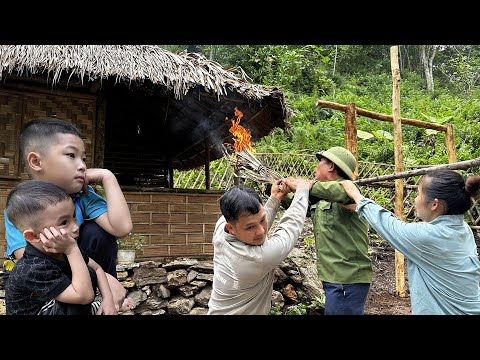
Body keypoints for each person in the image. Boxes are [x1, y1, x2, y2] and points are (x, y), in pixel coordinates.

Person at [3, 118, 132, 279]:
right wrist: (72, 253)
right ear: (36, 161)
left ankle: (107, 291)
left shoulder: (82, 196)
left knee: (97, 232)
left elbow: (122, 228)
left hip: (81, 271)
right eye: (71, 155)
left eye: (83, 159)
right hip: (43, 280)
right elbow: (26, 258)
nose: (82, 166)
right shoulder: (22, 205)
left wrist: (108, 177)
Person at [340, 170, 480, 315]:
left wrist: (356, 195)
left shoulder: (429, 237)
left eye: (418, 194)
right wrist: (360, 207)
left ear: (434, 204)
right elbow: (401, 229)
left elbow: (391, 227)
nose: (415, 199)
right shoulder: (463, 229)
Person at [5, 180, 123, 315]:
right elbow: (84, 296)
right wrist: (72, 251)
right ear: (33, 236)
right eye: (64, 222)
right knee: (75, 295)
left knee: (86, 272)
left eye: (74, 216)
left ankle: (99, 307)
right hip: (39, 311)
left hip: (53, 306)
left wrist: (108, 300)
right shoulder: (33, 267)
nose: (75, 227)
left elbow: (96, 269)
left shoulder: (63, 248)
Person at [281, 146, 372, 315]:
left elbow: (336, 192)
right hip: (333, 276)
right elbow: (301, 205)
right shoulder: (321, 198)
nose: (316, 167)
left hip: (347, 277)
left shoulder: (348, 189)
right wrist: (280, 192)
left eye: (320, 162)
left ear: (331, 166)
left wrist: (303, 186)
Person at [207, 177, 312, 315]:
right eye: (250, 227)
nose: (261, 231)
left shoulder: (222, 226)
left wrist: (275, 198)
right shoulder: (254, 259)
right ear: (231, 228)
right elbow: (289, 229)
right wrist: (302, 192)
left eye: (263, 220)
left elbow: (253, 218)